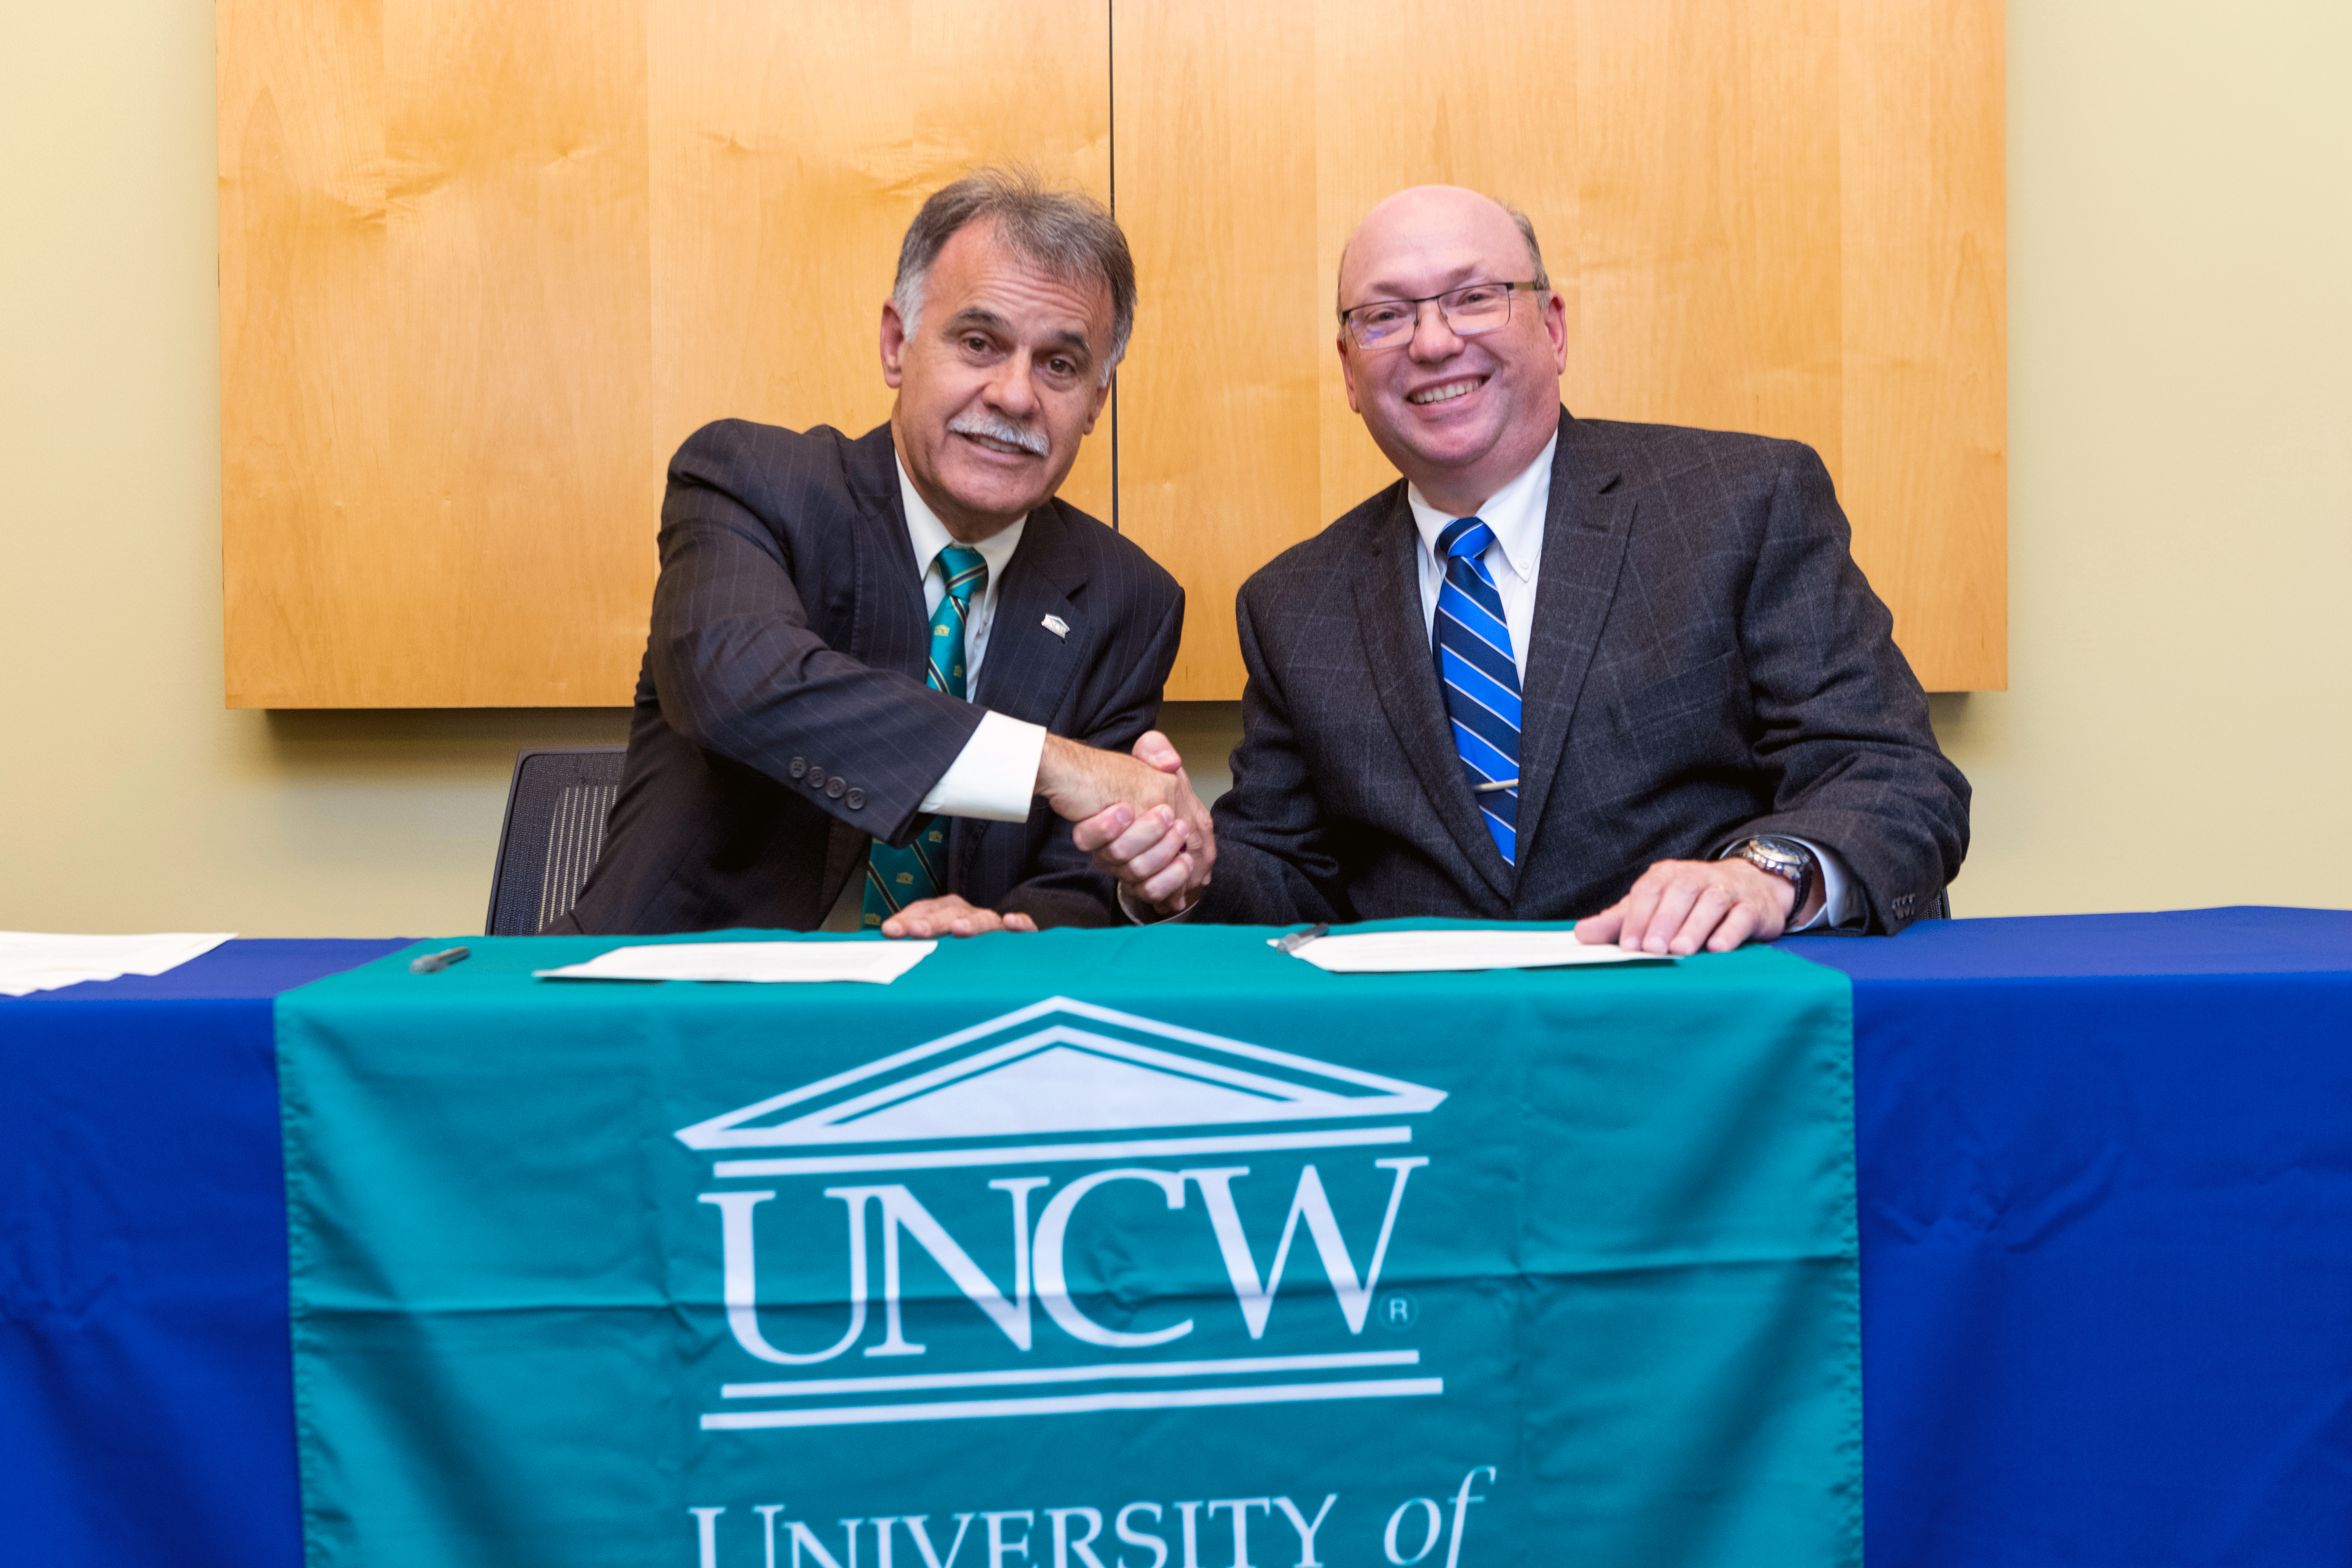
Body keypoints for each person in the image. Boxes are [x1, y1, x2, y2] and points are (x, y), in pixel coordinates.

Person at [1087, 185, 1968, 951]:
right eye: (1385, 316)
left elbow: (1893, 776)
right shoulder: (1292, 602)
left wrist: (1766, 876)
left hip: (1707, 1037)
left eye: (1474, 297)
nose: (1432, 343)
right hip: (1433, 1071)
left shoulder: (1742, 501)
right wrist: (1190, 869)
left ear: (1552, 326)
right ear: (1350, 372)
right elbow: (1289, 884)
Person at [557, 169, 1212, 939]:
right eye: (979, 343)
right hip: (683, 1007)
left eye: (1060, 366)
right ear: (898, 345)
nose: (1014, 395)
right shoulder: (752, 483)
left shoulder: (1124, 597)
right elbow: (743, 686)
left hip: (957, 1023)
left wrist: (1028, 920)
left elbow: (1077, 877)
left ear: (1097, 399)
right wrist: (1052, 763)